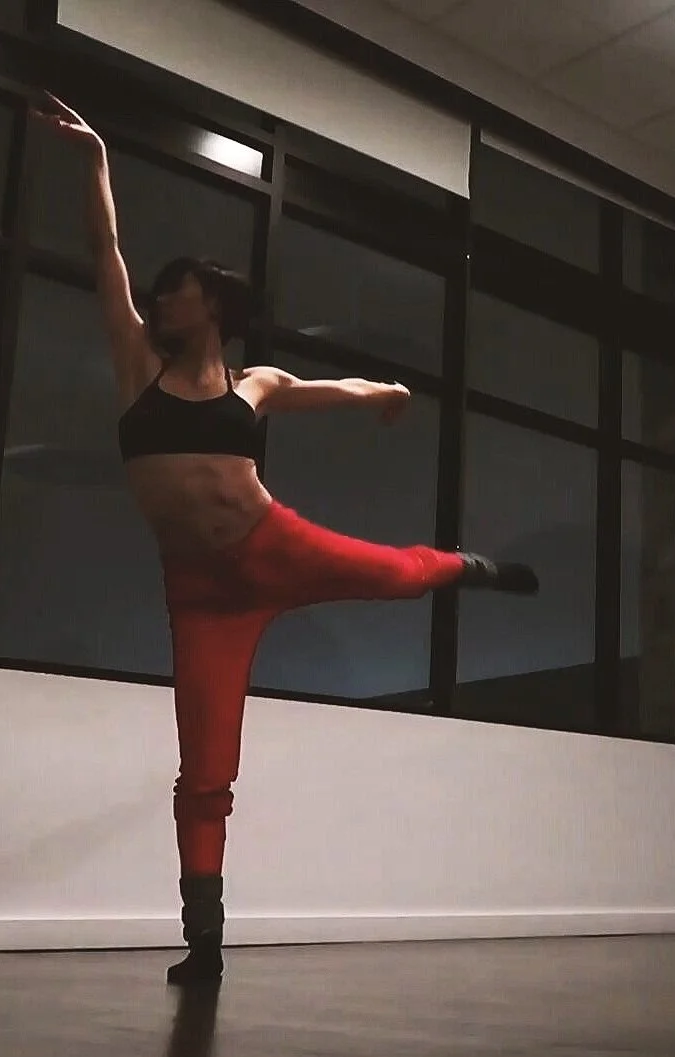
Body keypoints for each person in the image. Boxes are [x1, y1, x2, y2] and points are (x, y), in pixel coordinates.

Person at [34, 93, 538, 985]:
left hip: (271, 545)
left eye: (179, 290)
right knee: (205, 771)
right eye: (162, 291)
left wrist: (383, 393)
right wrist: (96, 158)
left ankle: (467, 567)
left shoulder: (253, 384)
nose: (162, 298)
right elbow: (104, 251)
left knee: (393, 576)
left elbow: (324, 390)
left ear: (215, 306)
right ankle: (204, 942)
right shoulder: (136, 362)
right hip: (199, 594)